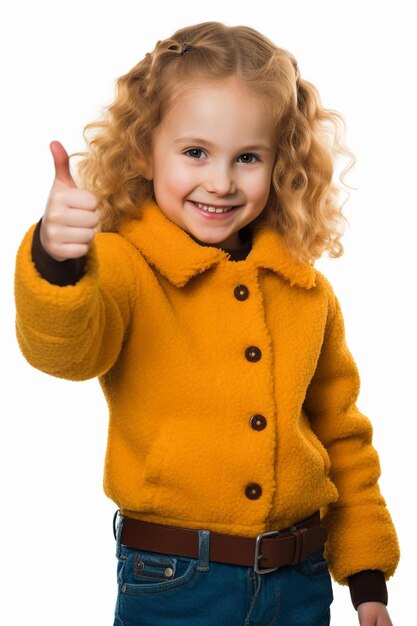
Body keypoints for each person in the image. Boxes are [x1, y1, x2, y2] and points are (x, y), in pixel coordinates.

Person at [14, 21, 400, 626]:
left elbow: (341, 433)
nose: (219, 182)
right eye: (195, 152)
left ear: (282, 163)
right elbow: (66, 353)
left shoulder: (304, 288)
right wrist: (57, 261)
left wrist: (368, 577)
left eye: (247, 158)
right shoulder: (121, 264)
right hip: (173, 584)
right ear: (145, 148)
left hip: (300, 584)